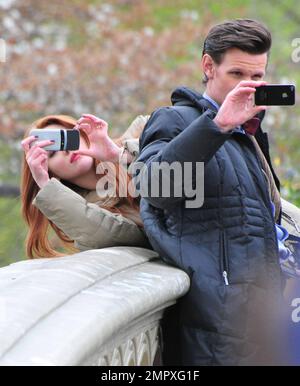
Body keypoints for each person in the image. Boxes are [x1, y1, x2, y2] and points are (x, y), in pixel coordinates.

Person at [136, 19, 296, 365]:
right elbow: (153, 188)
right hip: (213, 322)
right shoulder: (174, 120)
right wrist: (217, 125)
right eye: (237, 74)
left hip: (261, 318)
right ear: (208, 66)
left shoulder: (246, 134)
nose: (249, 86)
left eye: (257, 77)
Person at [21, 113, 150, 258]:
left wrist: (121, 155)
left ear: (81, 133)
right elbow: (120, 237)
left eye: (67, 138)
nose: (66, 150)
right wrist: (45, 184)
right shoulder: (85, 216)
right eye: (52, 153)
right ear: (51, 173)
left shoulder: (143, 130)